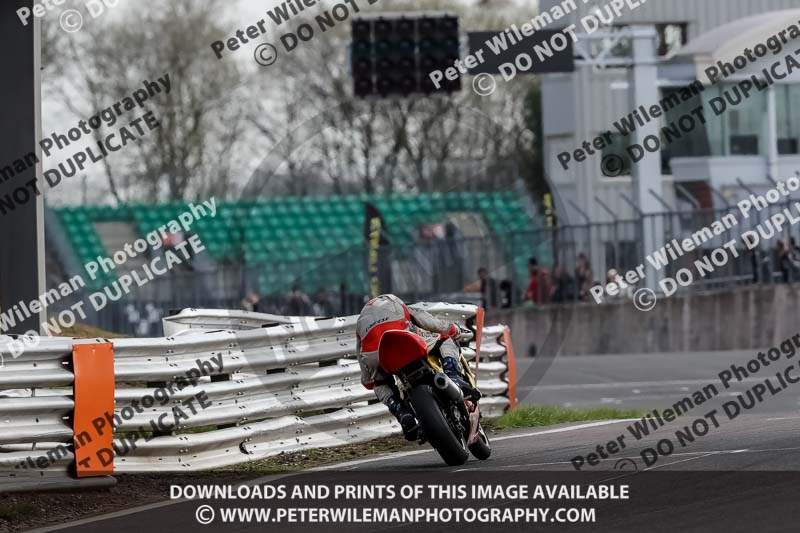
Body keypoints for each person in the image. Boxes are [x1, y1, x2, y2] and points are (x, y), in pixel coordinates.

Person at [355, 294, 479, 440]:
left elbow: (361, 354)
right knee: (445, 339)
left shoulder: (360, 323)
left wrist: (368, 379)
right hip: (404, 340)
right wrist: (453, 329)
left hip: (376, 353)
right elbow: (431, 323)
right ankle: (454, 376)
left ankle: (402, 413)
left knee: (379, 382)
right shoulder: (398, 304)